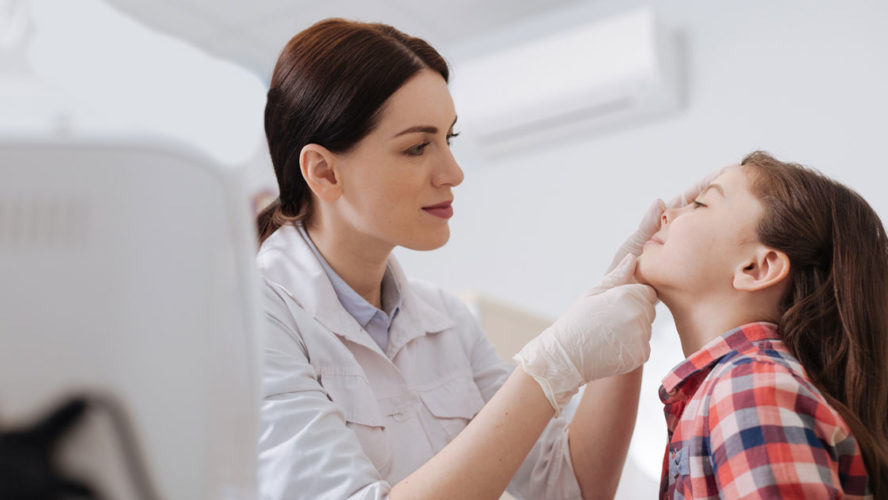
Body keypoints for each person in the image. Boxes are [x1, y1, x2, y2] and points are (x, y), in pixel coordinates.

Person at [252, 18, 696, 500]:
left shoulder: (445, 319)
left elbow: (571, 487)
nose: (454, 172)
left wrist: (626, 298)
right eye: (418, 146)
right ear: (324, 172)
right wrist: (549, 367)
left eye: (450, 139)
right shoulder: (255, 317)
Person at [636, 152, 888, 498]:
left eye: (699, 204)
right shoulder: (741, 385)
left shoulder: (748, 386)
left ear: (756, 268)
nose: (666, 212)